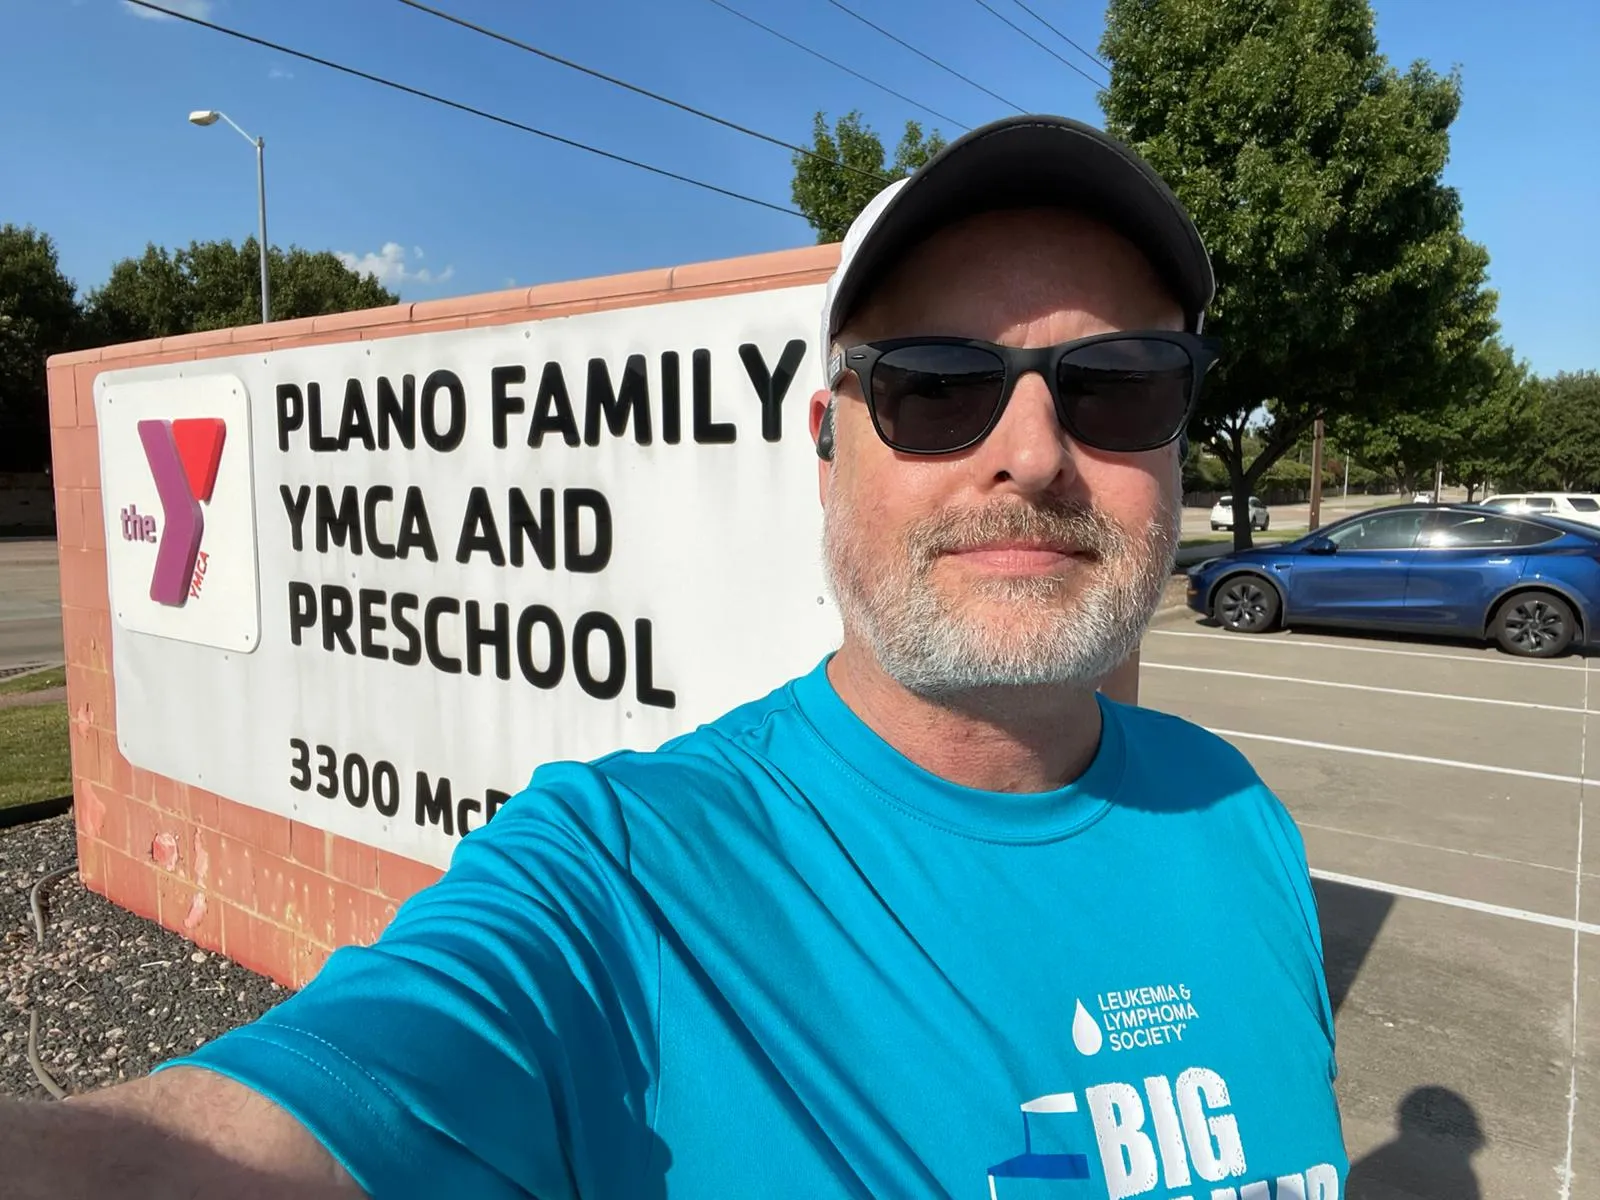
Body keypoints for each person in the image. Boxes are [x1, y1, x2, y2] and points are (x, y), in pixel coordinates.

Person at [5, 114, 1348, 1198]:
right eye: (936, 386)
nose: (1037, 451)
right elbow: (264, 1132)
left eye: (1119, 383)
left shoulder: (1239, 819)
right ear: (826, 445)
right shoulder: (619, 879)